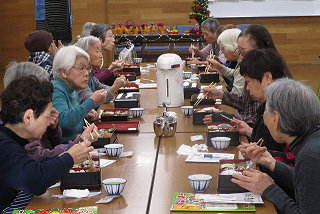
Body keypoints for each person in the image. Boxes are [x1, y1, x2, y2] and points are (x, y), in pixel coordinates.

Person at [0, 76, 94, 213]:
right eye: (47, 116)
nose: (50, 121)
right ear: (28, 117)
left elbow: (34, 166)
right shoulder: (4, 146)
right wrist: (69, 158)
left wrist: (65, 156)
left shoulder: (12, 139)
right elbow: (35, 179)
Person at [232, 78, 320, 214]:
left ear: (275, 119)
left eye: (265, 112)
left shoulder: (310, 155)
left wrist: (268, 188)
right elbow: (307, 184)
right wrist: (272, 163)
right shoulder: (312, 140)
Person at [3, 61, 98, 161]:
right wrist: (80, 142)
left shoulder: (33, 115)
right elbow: (41, 159)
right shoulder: (18, 126)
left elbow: (51, 145)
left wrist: (53, 128)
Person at [203, 24, 291, 125]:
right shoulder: (255, 70)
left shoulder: (267, 74)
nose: (240, 56)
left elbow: (259, 121)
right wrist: (222, 95)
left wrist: (227, 117)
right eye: (238, 51)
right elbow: (247, 102)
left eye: (243, 51)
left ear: (260, 49)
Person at [52, 46, 106, 143]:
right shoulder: (55, 89)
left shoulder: (73, 91)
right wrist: (91, 102)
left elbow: (74, 123)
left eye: (87, 68)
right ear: (64, 72)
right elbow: (63, 121)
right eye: (81, 68)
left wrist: (84, 115)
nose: (86, 73)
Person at [75, 36, 129, 110]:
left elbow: (102, 88)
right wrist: (114, 88)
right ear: (84, 53)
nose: (101, 56)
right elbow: (91, 101)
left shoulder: (91, 73)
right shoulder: (79, 76)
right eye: (97, 51)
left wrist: (120, 86)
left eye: (100, 52)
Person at [215, 28, 244, 95]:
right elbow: (235, 74)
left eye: (223, 48)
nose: (222, 52)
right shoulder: (239, 61)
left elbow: (236, 95)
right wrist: (219, 66)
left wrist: (219, 94)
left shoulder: (244, 64)